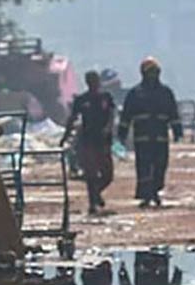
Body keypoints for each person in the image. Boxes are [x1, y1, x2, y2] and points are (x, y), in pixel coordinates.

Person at [118, 57, 182, 207]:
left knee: (160, 166)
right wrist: (122, 133)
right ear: (143, 74)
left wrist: (177, 131)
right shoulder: (135, 93)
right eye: (150, 72)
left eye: (155, 72)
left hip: (160, 137)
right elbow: (126, 115)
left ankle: (155, 190)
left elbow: (173, 114)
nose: (153, 75)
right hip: (142, 138)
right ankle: (147, 195)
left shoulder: (166, 92)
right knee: (144, 167)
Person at [61, 70, 116, 214]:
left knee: (107, 175)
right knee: (90, 174)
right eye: (90, 80)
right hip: (87, 140)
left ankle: (96, 193)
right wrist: (65, 137)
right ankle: (92, 203)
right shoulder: (82, 100)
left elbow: (111, 115)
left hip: (103, 141)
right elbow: (72, 119)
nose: (94, 83)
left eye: (95, 80)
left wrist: (108, 129)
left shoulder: (106, 97)